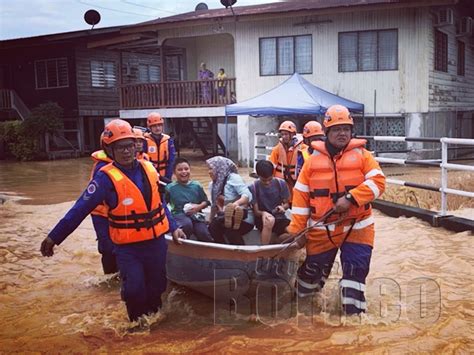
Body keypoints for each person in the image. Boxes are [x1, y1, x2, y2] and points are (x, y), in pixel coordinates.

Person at [40, 119, 186, 322]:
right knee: (134, 289)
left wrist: (174, 226)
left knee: (157, 287)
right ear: (109, 149)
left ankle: (155, 331)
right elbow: (79, 209)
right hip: (128, 248)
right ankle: (137, 330)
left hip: (155, 243)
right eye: (119, 147)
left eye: (128, 145)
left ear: (136, 145)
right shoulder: (104, 179)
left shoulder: (149, 169)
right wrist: (54, 237)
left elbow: (159, 204)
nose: (126, 151)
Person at [283, 104, 386, 315]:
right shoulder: (312, 163)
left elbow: (378, 182)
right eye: (337, 129)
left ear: (352, 131)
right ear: (327, 132)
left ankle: (353, 323)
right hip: (322, 230)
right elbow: (301, 199)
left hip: (357, 228)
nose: (342, 133)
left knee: (355, 275)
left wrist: (351, 197)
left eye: (346, 129)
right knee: (310, 278)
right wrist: (297, 232)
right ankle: (300, 313)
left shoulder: (363, 156)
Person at [88, 132, 118, 275]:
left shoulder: (131, 163)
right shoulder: (101, 167)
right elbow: (85, 202)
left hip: (117, 212)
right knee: (107, 247)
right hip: (101, 214)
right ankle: (110, 277)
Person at [207, 156, 254, 245]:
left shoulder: (233, 178)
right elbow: (214, 206)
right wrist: (209, 220)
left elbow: (247, 195)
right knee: (212, 227)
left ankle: (242, 255)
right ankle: (222, 248)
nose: (209, 172)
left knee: (230, 230)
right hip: (224, 217)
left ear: (220, 168)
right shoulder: (213, 185)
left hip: (245, 219)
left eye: (211, 169)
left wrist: (235, 204)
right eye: (208, 169)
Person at [165, 157, 213, 242]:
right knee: (187, 224)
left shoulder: (196, 185)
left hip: (196, 215)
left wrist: (198, 207)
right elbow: (163, 205)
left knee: (203, 233)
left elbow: (206, 202)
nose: (184, 172)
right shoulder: (170, 188)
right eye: (180, 170)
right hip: (179, 215)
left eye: (186, 169)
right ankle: (182, 244)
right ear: (174, 173)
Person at [249, 160, 290, 245]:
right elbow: (256, 212)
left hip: (279, 217)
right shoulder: (253, 187)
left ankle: (275, 242)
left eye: (270, 179)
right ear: (258, 175)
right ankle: (264, 253)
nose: (267, 183)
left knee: (295, 232)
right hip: (263, 219)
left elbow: (287, 204)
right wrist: (264, 213)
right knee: (270, 221)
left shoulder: (281, 183)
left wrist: (282, 207)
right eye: (264, 180)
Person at [269, 120, 303, 203]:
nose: (284, 136)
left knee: (297, 200)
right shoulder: (277, 149)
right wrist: (269, 181)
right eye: (282, 134)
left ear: (293, 134)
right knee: (285, 201)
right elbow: (271, 166)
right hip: (282, 182)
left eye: (286, 134)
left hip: (296, 181)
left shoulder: (302, 148)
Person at [144, 112, 176, 182]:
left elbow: (172, 160)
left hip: (165, 175)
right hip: (150, 175)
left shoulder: (168, 140)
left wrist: (167, 177)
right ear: (150, 127)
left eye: (159, 125)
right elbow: (143, 160)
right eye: (154, 126)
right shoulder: (145, 141)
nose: (157, 128)